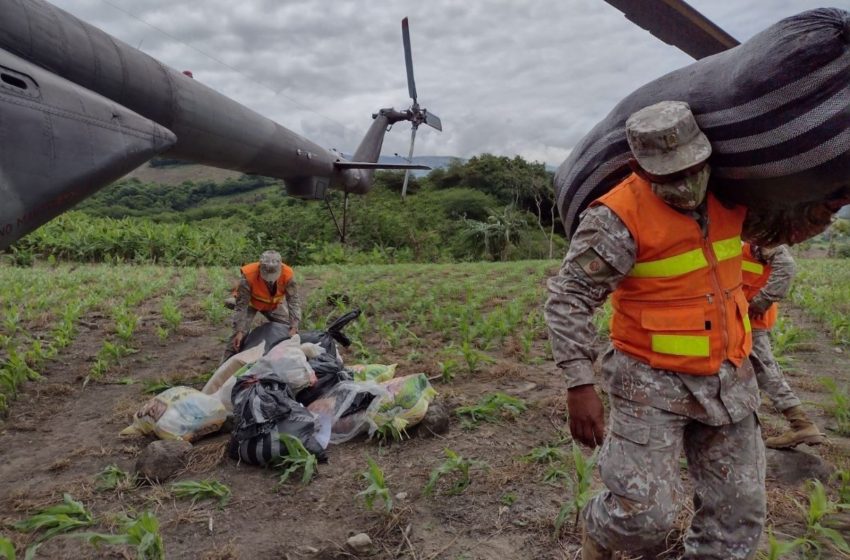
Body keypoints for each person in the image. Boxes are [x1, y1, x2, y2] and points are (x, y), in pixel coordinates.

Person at [545, 100, 764, 560]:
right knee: (643, 518)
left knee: (738, 513)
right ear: (638, 168)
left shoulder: (736, 194)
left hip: (729, 378)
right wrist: (578, 383)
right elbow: (568, 298)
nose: (685, 185)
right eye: (668, 176)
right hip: (649, 382)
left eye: (692, 170)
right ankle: (598, 532)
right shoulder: (616, 219)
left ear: (707, 156)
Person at [742, 242, 826, 448]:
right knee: (749, 372)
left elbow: (786, 265)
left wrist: (763, 300)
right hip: (738, 319)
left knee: (765, 371)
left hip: (749, 321)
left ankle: (801, 424)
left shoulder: (759, 241)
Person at [223, 250, 301, 362]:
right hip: (251, 303)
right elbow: (242, 306)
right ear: (260, 267)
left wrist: (294, 325)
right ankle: (226, 365)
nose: (270, 279)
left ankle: (286, 357)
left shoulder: (288, 275)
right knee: (237, 338)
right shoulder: (248, 275)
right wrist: (239, 331)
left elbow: (293, 301)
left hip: (273, 305)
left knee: (290, 331)